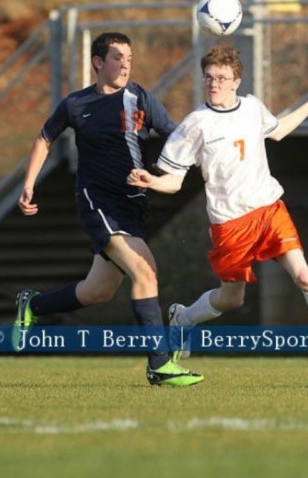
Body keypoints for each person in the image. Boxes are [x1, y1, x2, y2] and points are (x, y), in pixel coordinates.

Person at [127, 45, 308, 372]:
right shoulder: (195, 124)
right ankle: (183, 319)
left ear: (236, 81)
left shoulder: (252, 107)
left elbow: (280, 130)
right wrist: (151, 181)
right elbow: (174, 182)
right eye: (209, 78)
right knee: (232, 299)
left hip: (269, 208)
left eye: (222, 78)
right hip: (230, 223)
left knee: (304, 276)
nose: (214, 84)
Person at [13, 31, 203, 387]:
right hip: (96, 201)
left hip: (132, 206)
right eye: (117, 58)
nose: (125, 65)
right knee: (145, 270)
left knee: (97, 292)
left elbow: (176, 138)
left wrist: (203, 156)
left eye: (129, 59)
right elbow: (44, 138)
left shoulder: (140, 98)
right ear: (98, 63)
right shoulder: (75, 105)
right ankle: (159, 365)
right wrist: (28, 184)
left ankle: (32, 306)